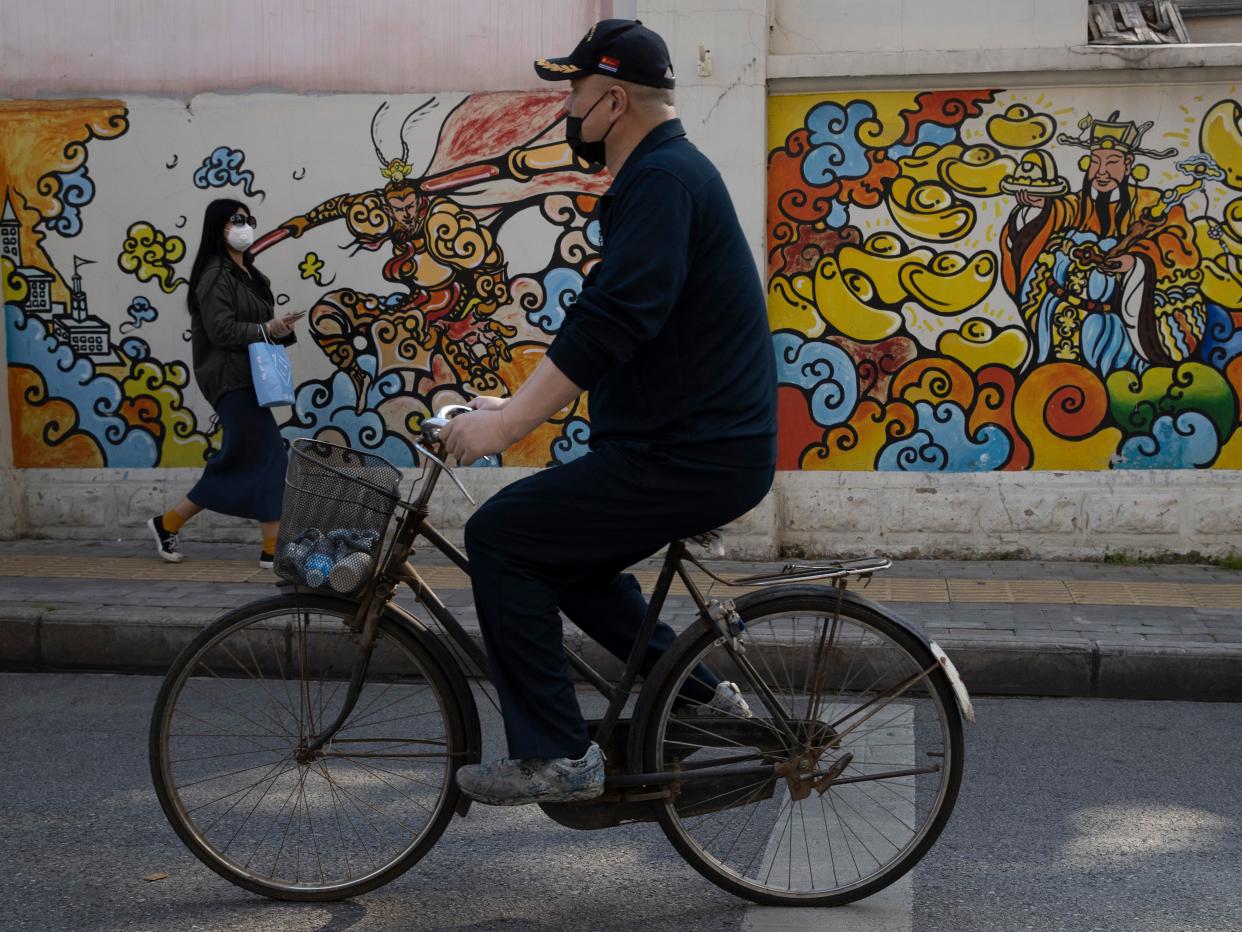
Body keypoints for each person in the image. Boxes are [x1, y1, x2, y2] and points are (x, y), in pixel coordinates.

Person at [440, 19, 777, 806]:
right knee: (568, 560)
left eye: (575, 96)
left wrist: (507, 426)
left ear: (613, 100)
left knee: (501, 537)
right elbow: (621, 326)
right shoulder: (664, 176)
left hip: (691, 454)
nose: (568, 114)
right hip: (690, 446)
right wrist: (515, 401)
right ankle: (698, 696)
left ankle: (560, 754)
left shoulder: (662, 181)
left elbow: (614, 322)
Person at [147, 199, 301, 568]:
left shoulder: (248, 274)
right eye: (237, 219)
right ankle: (271, 548)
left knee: (239, 459)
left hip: (252, 378)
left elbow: (254, 326)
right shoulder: (214, 274)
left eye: (249, 219)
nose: (245, 226)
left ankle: (167, 523)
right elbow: (221, 330)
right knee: (270, 455)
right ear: (219, 225)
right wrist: (267, 328)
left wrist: (277, 328)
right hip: (230, 379)